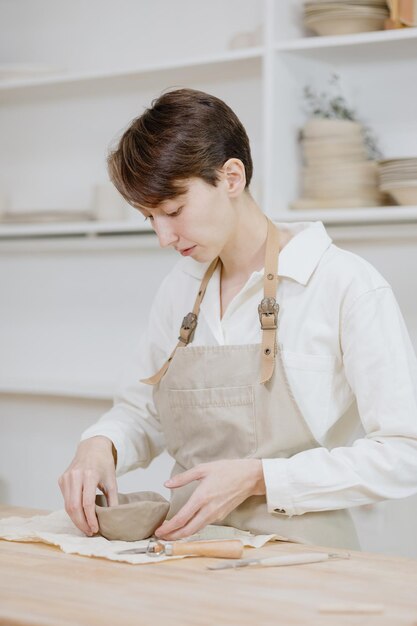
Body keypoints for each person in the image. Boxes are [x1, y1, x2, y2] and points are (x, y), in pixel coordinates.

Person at [59, 88, 417, 550]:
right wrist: (99, 445)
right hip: (187, 554)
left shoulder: (343, 284)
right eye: (150, 218)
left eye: (172, 211)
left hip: (305, 564)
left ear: (231, 177)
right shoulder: (180, 288)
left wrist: (259, 478)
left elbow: (406, 453)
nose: (163, 237)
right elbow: (141, 411)